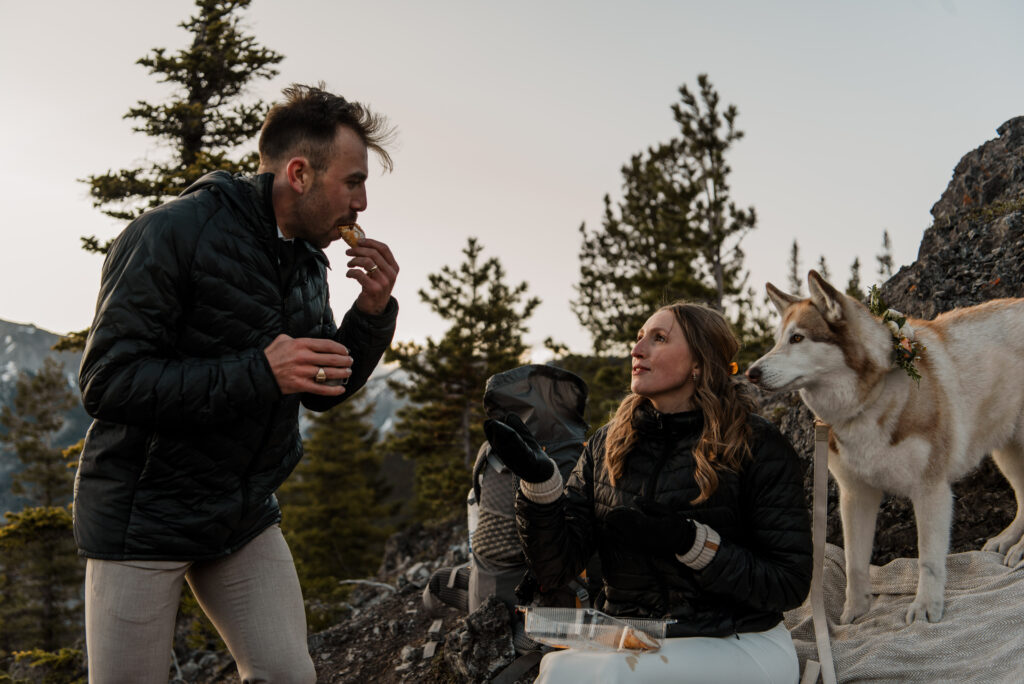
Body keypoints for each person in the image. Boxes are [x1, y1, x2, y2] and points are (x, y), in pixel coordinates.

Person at [73, 83, 399, 683]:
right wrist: (259, 371)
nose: (362, 202)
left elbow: (321, 388)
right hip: (144, 517)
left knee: (288, 674)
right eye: (352, 181)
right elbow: (108, 382)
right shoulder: (169, 233)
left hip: (241, 514)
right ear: (299, 173)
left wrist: (372, 314)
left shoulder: (305, 259)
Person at [484, 302, 813, 683]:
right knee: (556, 671)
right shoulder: (606, 444)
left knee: (603, 678)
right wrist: (540, 484)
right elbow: (556, 569)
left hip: (739, 640)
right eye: (639, 339)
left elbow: (788, 584)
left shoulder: (757, 445)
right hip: (632, 639)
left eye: (658, 339)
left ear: (700, 363)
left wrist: (691, 542)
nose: (637, 350)